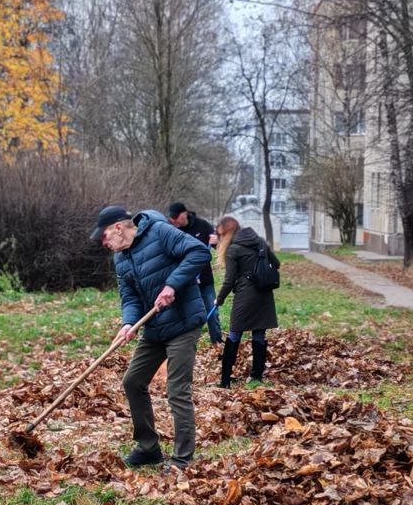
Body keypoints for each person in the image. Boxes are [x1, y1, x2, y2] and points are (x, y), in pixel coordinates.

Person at [92, 204, 211, 470]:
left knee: (177, 390)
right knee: (133, 381)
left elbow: (199, 252)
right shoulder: (121, 257)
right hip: (154, 328)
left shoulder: (160, 232)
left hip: (183, 322)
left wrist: (172, 285)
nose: (105, 244)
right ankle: (148, 447)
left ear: (118, 228)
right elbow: (130, 296)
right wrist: (128, 323)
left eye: (104, 237)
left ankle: (183, 458)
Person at [213, 215, 280, 387]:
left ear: (226, 233)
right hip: (264, 294)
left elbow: (229, 280)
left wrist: (218, 300)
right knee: (259, 334)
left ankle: (225, 380)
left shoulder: (233, 249)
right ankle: (256, 378)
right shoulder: (259, 242)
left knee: (235, 333)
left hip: (245, 296)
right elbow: (276, 263)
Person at [167, 201, 222, 344]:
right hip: (184, 282)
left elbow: (219, 246)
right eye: (172, 218)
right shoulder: (172, 230)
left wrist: (218, 240)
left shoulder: (202, 226)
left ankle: (216, 342)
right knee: (187, 315)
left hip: (204, 280)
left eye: (176, 217)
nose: (173, 221)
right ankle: (185, 344)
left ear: (184, 214)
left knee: (212, 311)